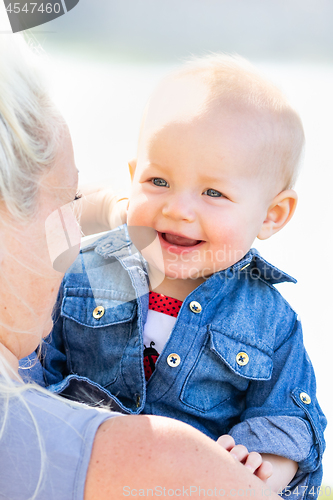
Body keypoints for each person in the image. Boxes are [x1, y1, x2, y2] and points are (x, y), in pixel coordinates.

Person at [23, 55, 326, 496]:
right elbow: (31, 368)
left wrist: (265, 465)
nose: (178, 209)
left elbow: (289, 417)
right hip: (79, 478)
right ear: (133, 180)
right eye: (158, 181)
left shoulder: (270, 322)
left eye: (213, 192)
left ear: (272, 214)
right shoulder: (83, 274)